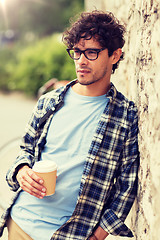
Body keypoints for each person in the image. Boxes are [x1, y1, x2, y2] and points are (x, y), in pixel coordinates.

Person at [0, 10, 139, 240]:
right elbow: (25, 150)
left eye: (92, 52)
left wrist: (98, 235)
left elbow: (127, 184)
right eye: (77, 52)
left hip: (70, 234)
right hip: (20, 225)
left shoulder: (125, 115)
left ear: (115, 55)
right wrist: (21, 171)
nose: (82, 61)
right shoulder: (49, 101)